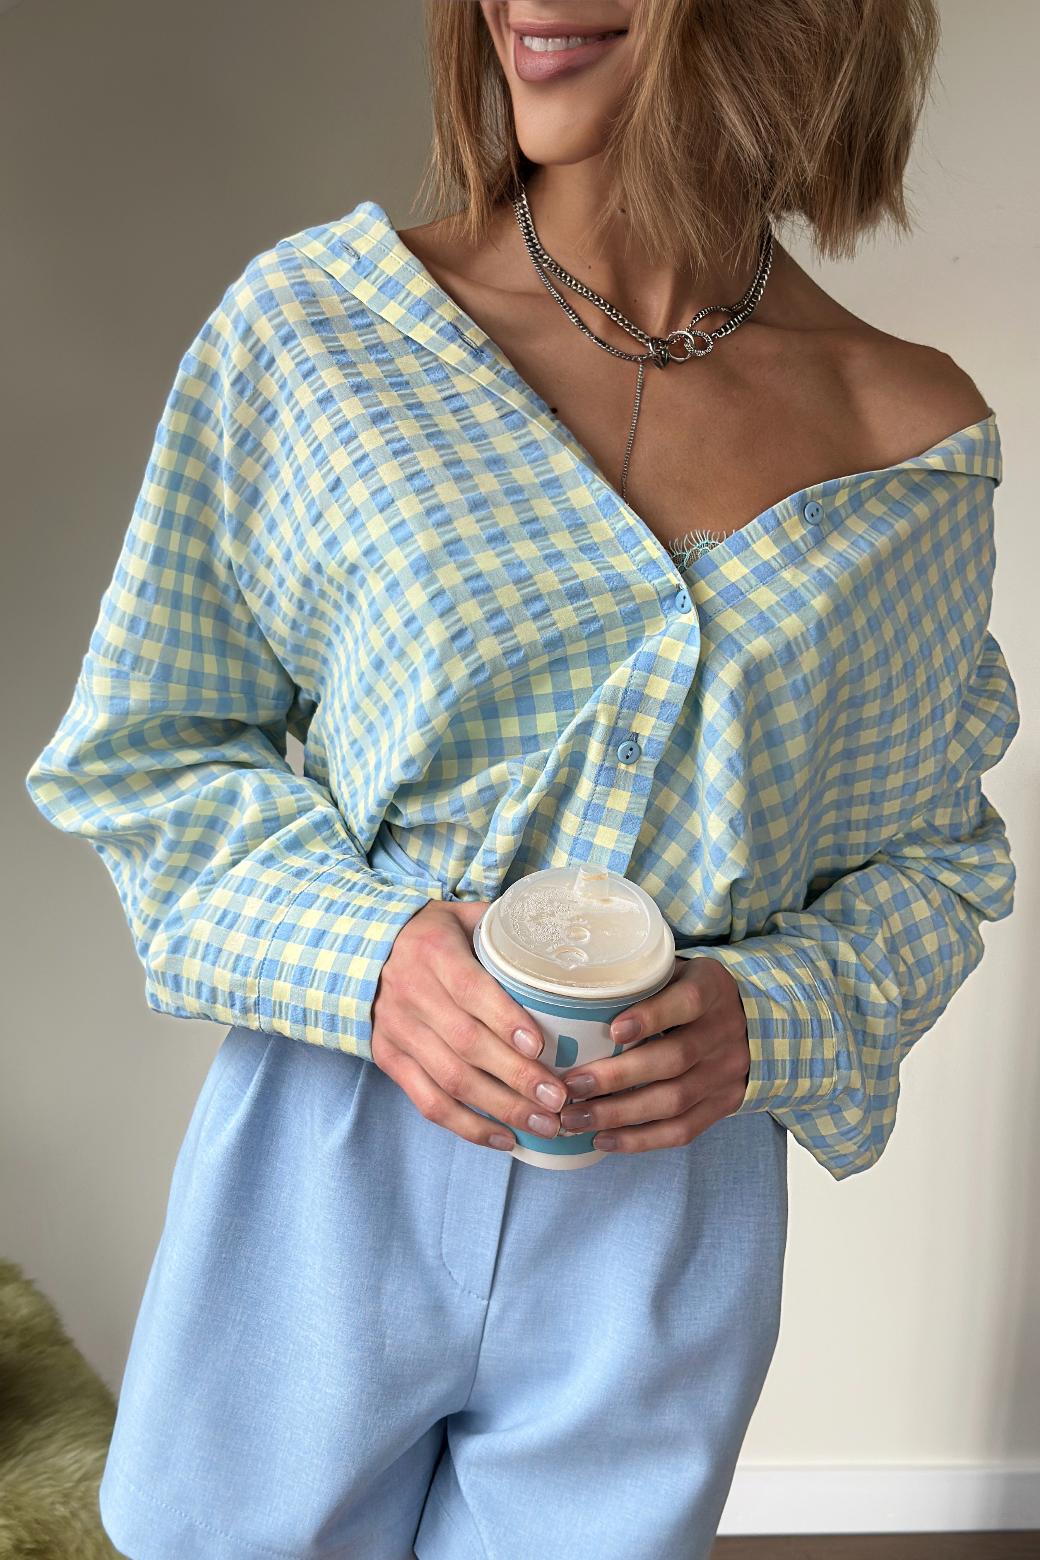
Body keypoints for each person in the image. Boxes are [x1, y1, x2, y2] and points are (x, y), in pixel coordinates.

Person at [23, 2, 1019, 1556]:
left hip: (666, 1218)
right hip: (329, 1155)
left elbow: (937, 866)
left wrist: (767, 1017)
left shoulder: (912, 450)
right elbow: (149, 753)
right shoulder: (318, 334)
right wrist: (370, 962)